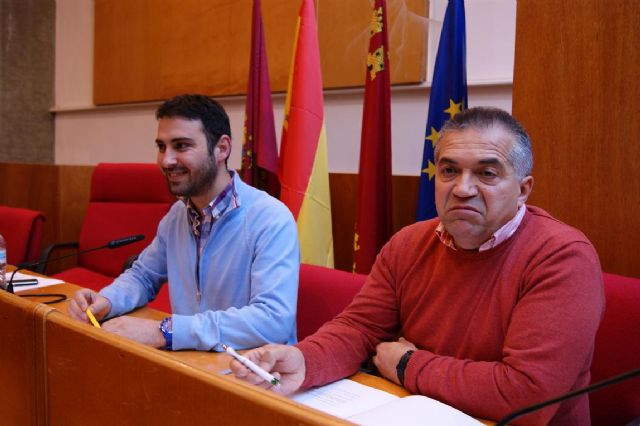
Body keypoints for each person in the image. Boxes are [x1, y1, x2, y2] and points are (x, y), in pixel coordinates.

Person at [231, 107, 604, 425]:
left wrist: (407, 364)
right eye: (449, 170)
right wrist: (303, 360)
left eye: (487, 174)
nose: (463, 189)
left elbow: (526, 396)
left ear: (523, 189)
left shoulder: (561, 257)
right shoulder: (409, 243)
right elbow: (360, 328)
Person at [68, 94, 300, 352]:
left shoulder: (271, 218)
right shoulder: (177, 215)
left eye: (181, 146)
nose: (166, 160)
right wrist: (106, 300)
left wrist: (165, 331)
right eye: (161, 147)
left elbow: (273, 320)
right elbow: (144, 276)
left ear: (222, 149)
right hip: (190, 360)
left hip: (252, 368)